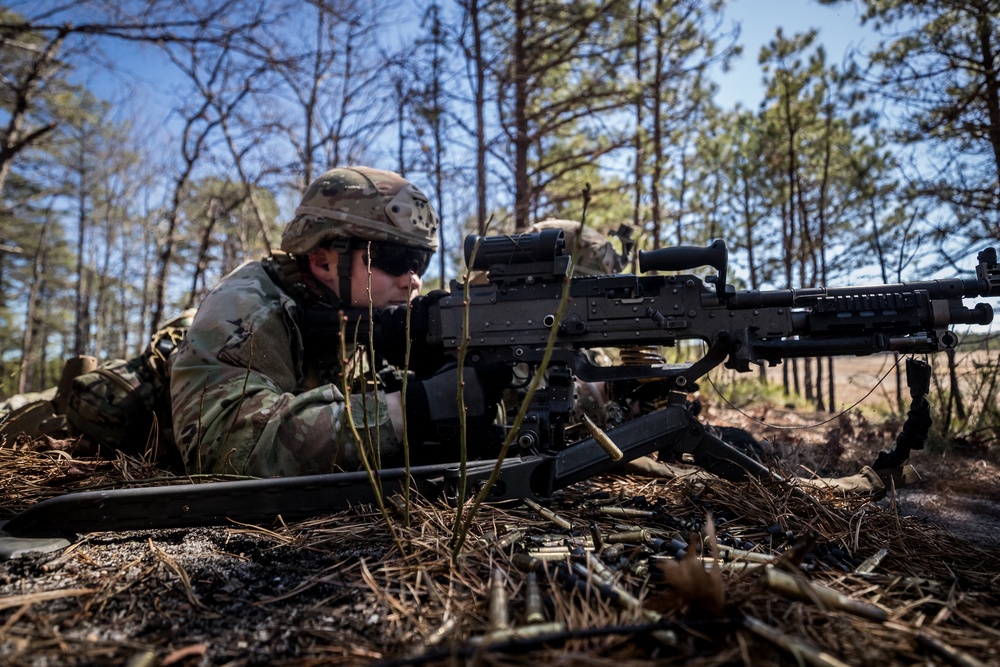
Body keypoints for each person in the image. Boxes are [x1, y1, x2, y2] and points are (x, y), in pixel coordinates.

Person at [169, 166, 507, 477]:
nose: (413, 280)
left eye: (420, 262)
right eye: (394, 258)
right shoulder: (248, 311)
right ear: (322, 261)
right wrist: (412, 409)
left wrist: (455, 372)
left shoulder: (347, 313)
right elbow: (228, 451)